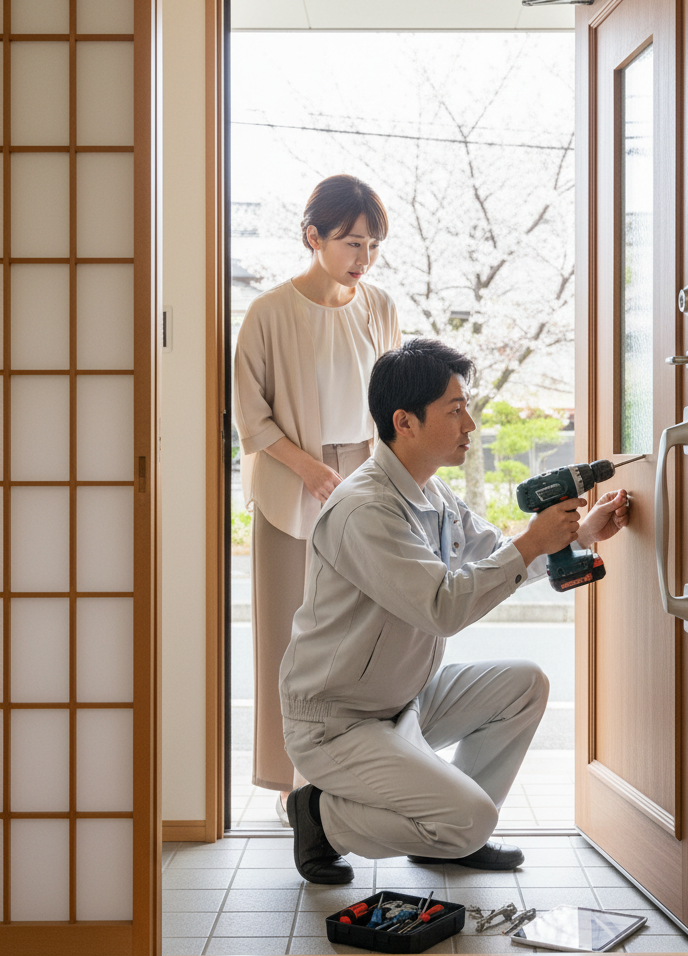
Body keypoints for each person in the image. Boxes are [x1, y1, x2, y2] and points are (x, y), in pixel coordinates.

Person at [278, 338, 630, 884]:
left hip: (403, 699)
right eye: (455, 409)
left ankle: (451, 839)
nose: (470, 423)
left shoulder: (434, 495)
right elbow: (442, 607)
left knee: (525, 684)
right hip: (338, 722)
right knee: (471, 821)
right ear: (405, 422)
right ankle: (320, 816)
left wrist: (579, 534)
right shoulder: (364, 509)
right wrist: (532, 542)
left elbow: (500, 556)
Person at [233, 174, 401, 823]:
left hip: (367, 476)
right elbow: (251, 416)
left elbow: (392, 407)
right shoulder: (269, 312)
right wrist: (309, 469)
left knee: (365, 637)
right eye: (352, 243)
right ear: (313, 237)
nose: (364, 258)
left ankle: (359, 778)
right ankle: (291, 784)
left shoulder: (379, 307)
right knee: (287, 638)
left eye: (373, 245)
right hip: (290, 483)